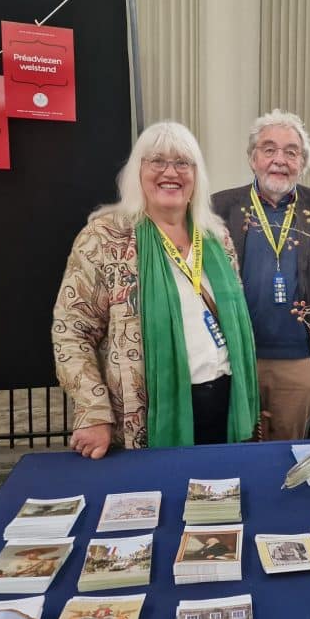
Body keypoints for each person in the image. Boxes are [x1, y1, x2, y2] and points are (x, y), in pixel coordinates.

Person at [52, 121, 259, 458]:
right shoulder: (105, 238)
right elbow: (71, 332)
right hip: (148, 416)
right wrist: (93, 411)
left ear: (196, 175)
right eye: (157, 161)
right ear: (138, 171)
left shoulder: (216, 239)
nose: (170, 172)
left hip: (225, 402)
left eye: (182, 163)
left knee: (220, 499)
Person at [212, 109, 310, 440]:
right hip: (236, 362)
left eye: (291, 151)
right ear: (252, 158)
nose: (279, 159)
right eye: (269, 149)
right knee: (237, 448)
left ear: (302, 162)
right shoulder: (220, 207)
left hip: (298, 364)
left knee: (286, 455)